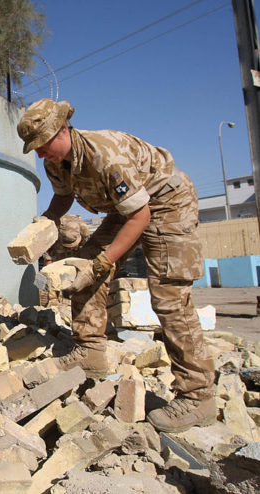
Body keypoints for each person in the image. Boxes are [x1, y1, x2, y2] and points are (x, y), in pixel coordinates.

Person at [17, 98, 215, 433]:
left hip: (167, 203)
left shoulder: (106, 156)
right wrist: (48, 220)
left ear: (64, 129)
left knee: (168, 297)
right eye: (34, 148)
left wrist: (104, 262)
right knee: (83, 267)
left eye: (44, 144)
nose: (40, 154)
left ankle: (198, 396)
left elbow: (141, 215)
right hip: (126, 210)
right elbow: (64, 195)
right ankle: (90, 351)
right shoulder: (56, 160)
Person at [39, 214, 90, 306]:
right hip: (58, 256)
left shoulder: (84, 236)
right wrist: (52, 292)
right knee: (44, 280)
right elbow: (48, 264)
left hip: (77, 259)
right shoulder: (51, 239)